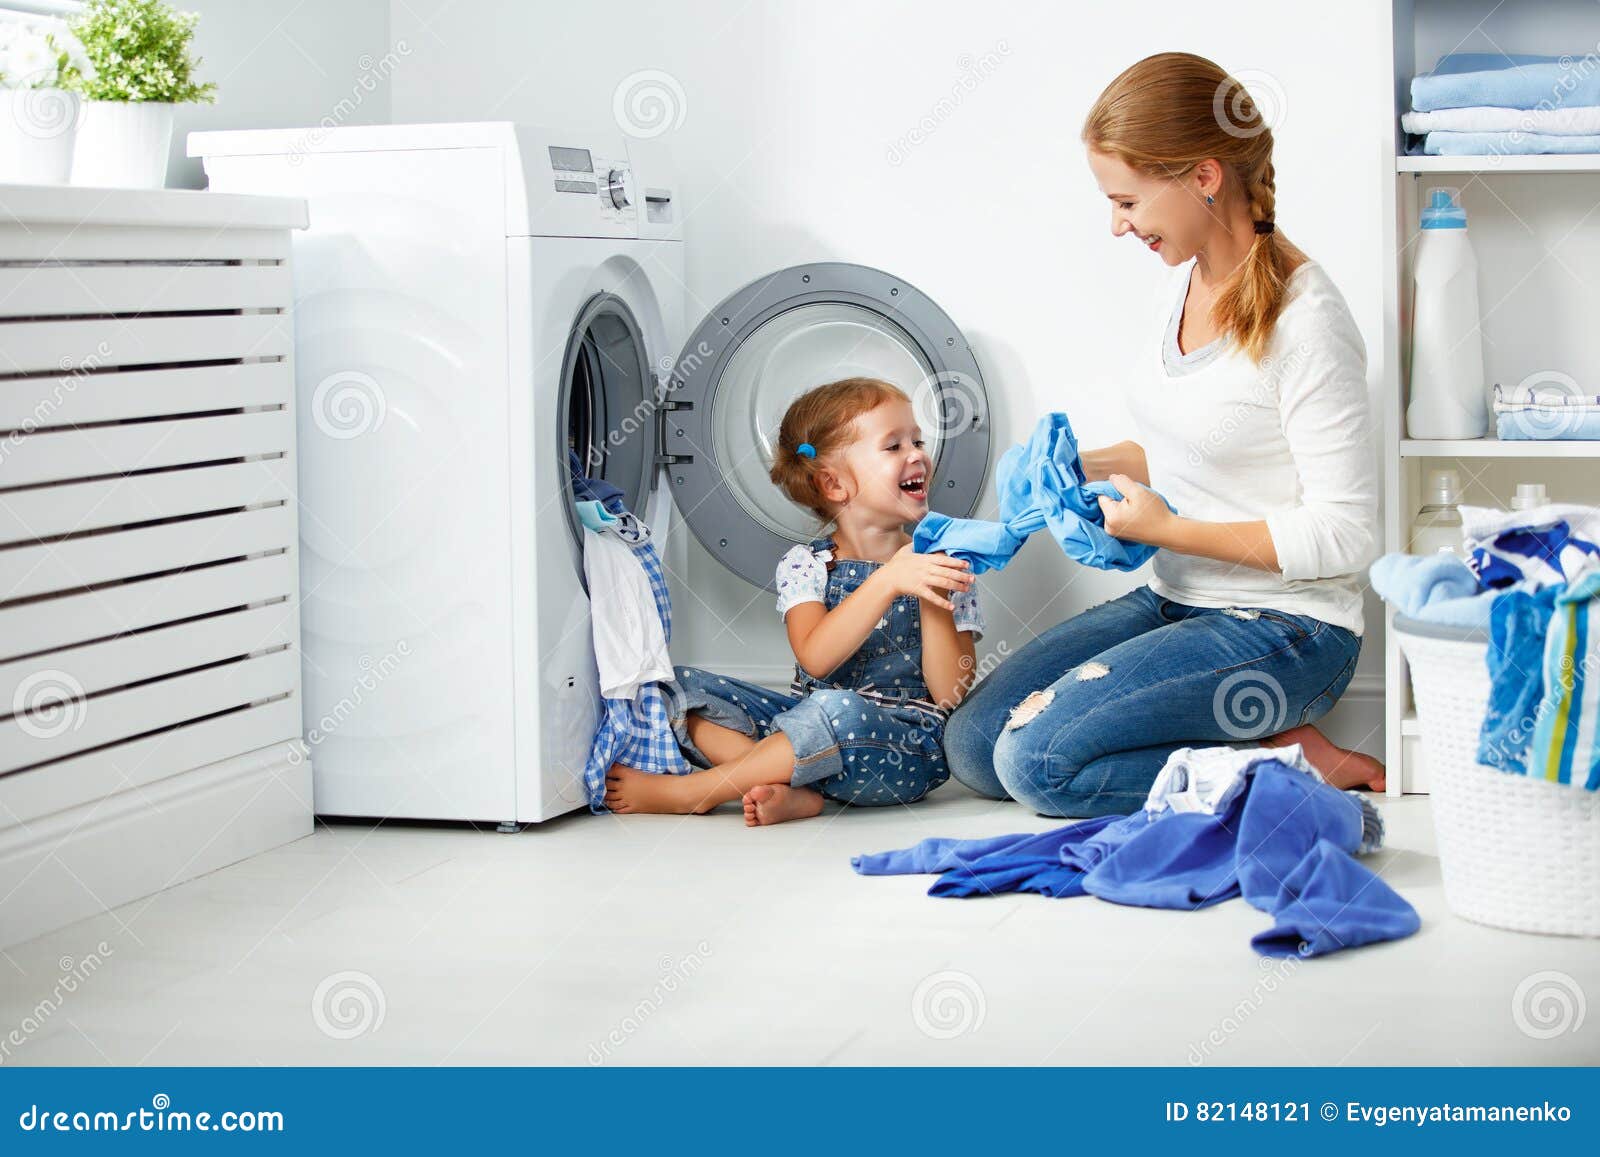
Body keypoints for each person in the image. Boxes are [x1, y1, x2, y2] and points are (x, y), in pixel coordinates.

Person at [944, 51, 1385, 818]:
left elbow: (1347, 533)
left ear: (1203, 177)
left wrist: (1171, 529)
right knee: (975, 744)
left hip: (1289, 629)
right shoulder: (1181, 280)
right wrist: (1075, 463)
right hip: (1178, 603)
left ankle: (1273, 758)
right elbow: (1199, 450)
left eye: (1127, 201)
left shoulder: (1307, 320)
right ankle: (1258, 747)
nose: (1117, 225)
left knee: (1038, 763)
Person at [604, 377, 985, 824]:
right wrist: (887, 582)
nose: (917, 453)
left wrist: (928, 588)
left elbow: (949, 694)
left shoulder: (946, 565)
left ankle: (699, 791)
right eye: (893, 446)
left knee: (836, 711)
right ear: (835, 485)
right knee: (679, 687)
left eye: (916, 440)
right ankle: (785, 786)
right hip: (804, 725)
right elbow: (816, 657)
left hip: (900, 748)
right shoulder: (806, 564)